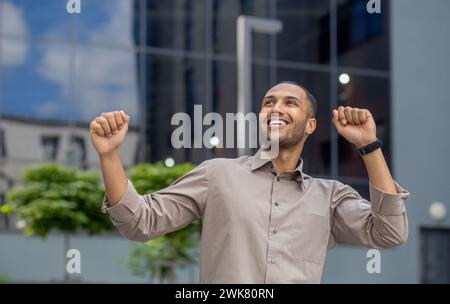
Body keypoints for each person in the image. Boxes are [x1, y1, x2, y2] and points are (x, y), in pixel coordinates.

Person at [90, 81, 409, 283]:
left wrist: (369, 147)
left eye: (289, 102)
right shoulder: (217, 174)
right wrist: (109, 156)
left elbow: (390, 233)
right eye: (269, 102)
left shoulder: (330, 197)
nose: (276, 108)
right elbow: (139, 222)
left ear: (311, 125)